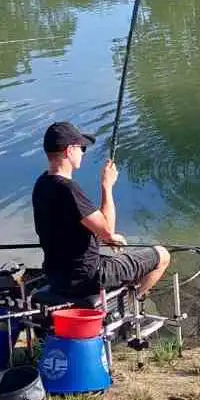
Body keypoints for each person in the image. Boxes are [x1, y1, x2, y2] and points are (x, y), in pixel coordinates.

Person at [31, 121, 170, 306]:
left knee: (117, 256)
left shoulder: (42, 184)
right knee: (162, 255)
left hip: (56, 275)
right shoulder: (68, 190)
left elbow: (69, 228)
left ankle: (124, 297)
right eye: (81, 148)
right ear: (69, 150)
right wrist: (107, 185)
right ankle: (131, 304)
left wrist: (105, 238)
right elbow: (107, 229)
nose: (82, 153)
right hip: (89, 276)